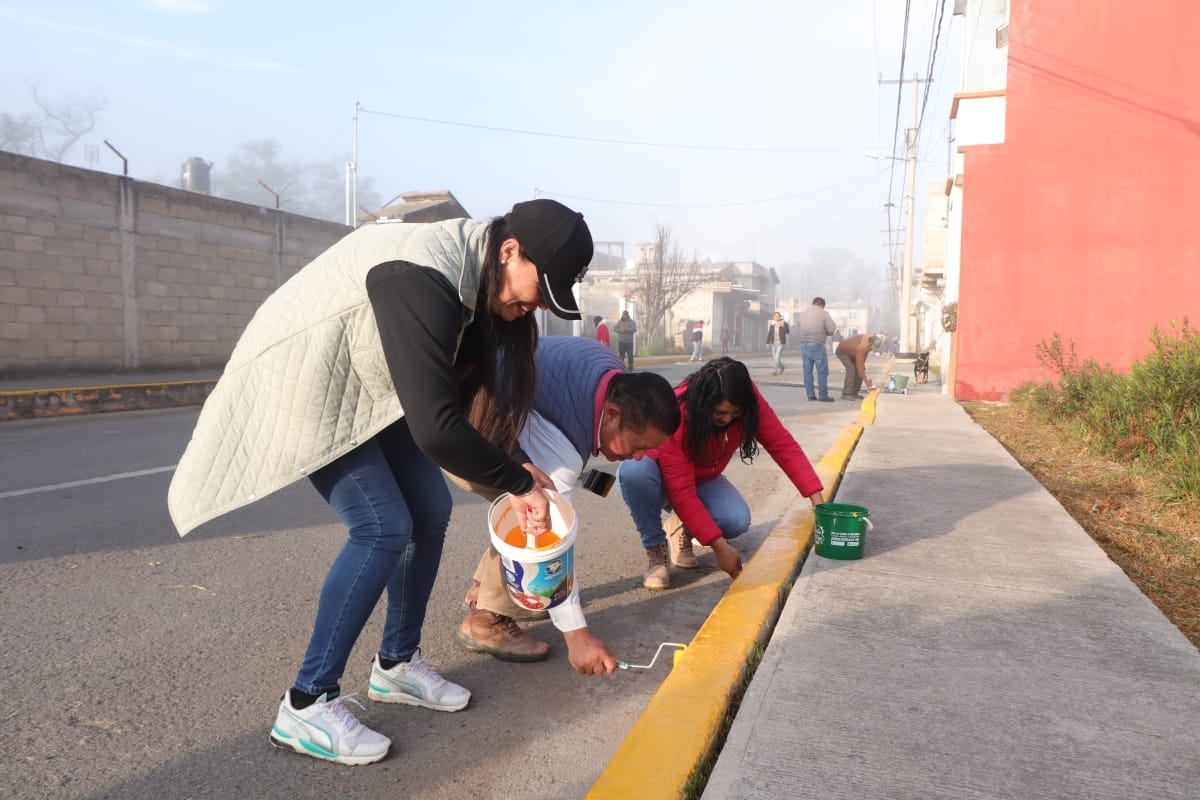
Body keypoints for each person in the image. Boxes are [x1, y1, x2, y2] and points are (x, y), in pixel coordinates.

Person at [167, 198, 598, 766]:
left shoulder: (477, 281)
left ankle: (396, 665)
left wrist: (517, 463)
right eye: (537, 289)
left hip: (369, 386)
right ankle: (306, 703)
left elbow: (464, 400)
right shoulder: (425, 273)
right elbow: (438, 428)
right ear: (510, 250)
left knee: (428, 510)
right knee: (381, 526)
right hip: (306, 378)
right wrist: (517, 482)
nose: (533, 305)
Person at [453, 336, 681, 661]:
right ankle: (486, 620)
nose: (639, 457)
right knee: (533, 511)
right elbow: (553, 546)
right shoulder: (563, 449)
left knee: (530, 499)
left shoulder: (609, 370)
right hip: (463, 434)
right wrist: (578, 636)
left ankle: (485, 589)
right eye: (637, 445)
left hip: (483, 397)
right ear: (614, 413)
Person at [616, 358, 825, 590]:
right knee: (634, 471)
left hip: (703, 478)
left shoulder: (749, 400)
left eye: (735, 413)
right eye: (720, 413)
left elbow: (782, 445)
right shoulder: (679, 410)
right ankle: (656, 550)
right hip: (660, 479)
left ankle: (681, 528)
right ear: (704, 403)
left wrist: (819, 504)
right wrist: (720, 548)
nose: (727, 419)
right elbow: (681, 490)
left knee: (735, 519)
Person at [794, 297, 838, 402]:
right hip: (817, 345)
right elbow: (832, 329)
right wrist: (825, 332)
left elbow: (798, 328)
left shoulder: (802, 314)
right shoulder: (823, 313)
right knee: (822, 371)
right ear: (822, 305)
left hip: (804, 345)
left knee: (807, 371)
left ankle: (810, 395)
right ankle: (823, 395)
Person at [836, 332, 879, 399]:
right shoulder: (862, 347)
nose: (871, 350)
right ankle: (846, 393)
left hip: (852, 352)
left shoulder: (869, 341)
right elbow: (860, 366)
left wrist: (863, 371)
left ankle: (854, 392)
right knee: (851, 370)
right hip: (842, 351)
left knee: (861, 370)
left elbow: (862, 363)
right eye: (872, 348)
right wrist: (867, 382)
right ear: (870, 344)